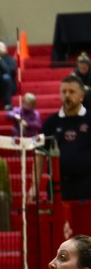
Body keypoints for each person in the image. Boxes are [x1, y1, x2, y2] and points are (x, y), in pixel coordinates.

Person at [34, 75, 91, 203]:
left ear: (81, 96)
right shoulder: (51, 122)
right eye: (64, 92)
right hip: (59, 188)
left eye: (71, 92)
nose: (67, 95)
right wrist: (34, 187)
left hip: (87, 188)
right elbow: (40, 155)